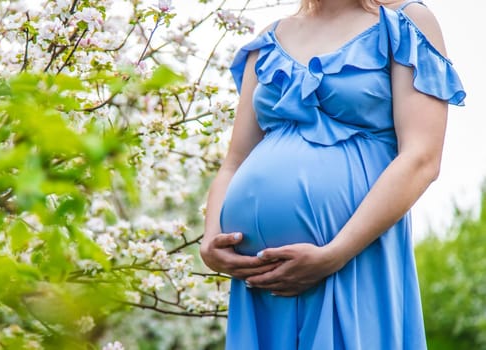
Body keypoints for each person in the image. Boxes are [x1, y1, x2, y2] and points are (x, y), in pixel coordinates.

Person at [199, 0, 466, 348]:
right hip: (261, 281)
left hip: (351, 260)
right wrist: (209, 241)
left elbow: (421, 157)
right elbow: (234, 162)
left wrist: (335, 253)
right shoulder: (268, 41)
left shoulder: (403, 24)